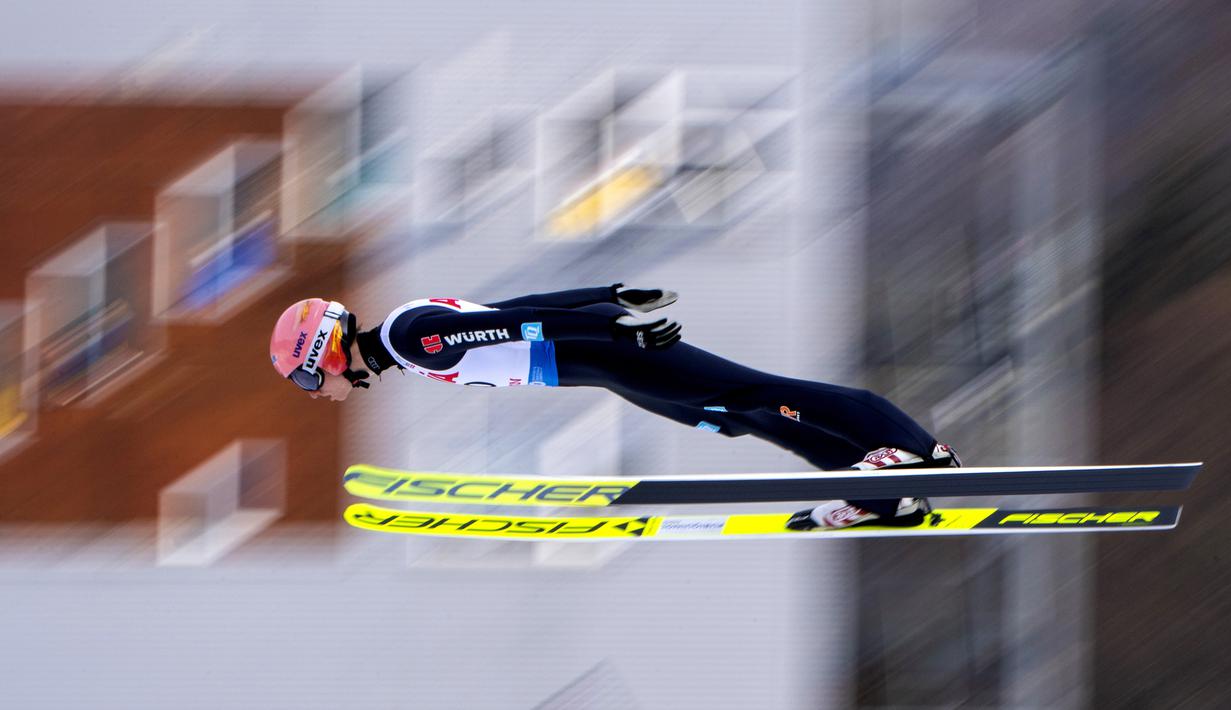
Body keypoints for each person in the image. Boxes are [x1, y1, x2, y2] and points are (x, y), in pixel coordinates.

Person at [269, 285, 960, 530]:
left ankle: (917, 455)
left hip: (605, 351)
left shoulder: (411, 338)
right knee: (729, 415)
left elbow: (519, 325)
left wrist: (614, 325)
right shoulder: (405, 334)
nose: (320, 396)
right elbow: (516, 309)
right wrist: (605, 293)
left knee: (751, 394)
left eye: (308, 384)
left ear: (323, 355)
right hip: (599, 362)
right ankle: (878, 492)